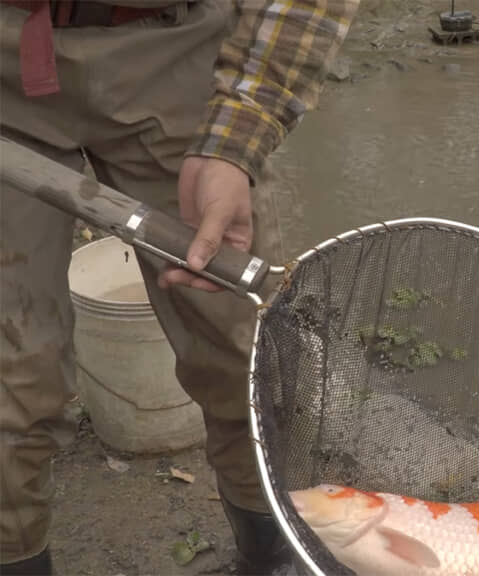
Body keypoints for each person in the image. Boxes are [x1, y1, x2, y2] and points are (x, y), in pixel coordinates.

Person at [0, 0, 360, 574]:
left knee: (249, 358)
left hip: (173, 48)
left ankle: (274, 558)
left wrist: (236, 137)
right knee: (9, 380)